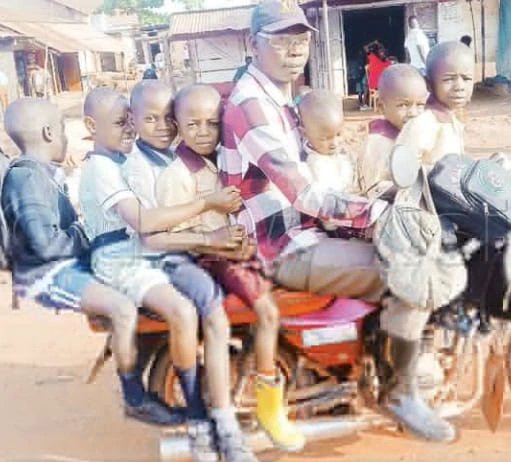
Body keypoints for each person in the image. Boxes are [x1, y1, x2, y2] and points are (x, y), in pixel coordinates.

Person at [219, 0, 456, 443]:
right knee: (415, 275)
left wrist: (375, 203)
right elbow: (304, 193)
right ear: (253, 44)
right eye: (280, 41)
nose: (293, 51)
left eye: (300, 40)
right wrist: (375, 212)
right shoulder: (251, 106)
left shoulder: (278, 96)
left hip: (302, 231)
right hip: (285, 247)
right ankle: (399, 393)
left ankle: (375, 360)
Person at [80, 86, 257, 462]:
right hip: (143, 258)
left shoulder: (174, 157)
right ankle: (203, 419)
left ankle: (220, 416)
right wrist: (210, 238)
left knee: (214, 308)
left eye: (167, 119)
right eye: (148, 119)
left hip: (171, 254)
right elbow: (151, 233)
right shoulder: (130, 167)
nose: (162, 127)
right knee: (194, 309)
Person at [0, 98, 181, 427]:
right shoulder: (25, 179)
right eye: (62, 132)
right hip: (47, 273)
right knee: (123, 306)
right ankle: (134, 399)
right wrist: (89, 233)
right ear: (48, 132)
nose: (67, 140)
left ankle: (143, 363)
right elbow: (45, 245)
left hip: (63, 262)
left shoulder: (42, 173)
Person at [154, 83, 305, 452]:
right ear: (176, 125)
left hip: (243, 248)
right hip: (214, 257)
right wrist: (215, 231)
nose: (204, 132)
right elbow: (171, 232)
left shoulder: (227, 157)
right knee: (267, 310)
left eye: (212, 123)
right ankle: (269, 402)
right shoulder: (176, 174)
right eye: (194, 125)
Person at [396, 41, 474, 167]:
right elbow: (401, 172)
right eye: (448, 80)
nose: (459, 87)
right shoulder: (423, 124)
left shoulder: (451, 118)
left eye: (466, 79)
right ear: (429, 84)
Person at [358, 64, 428, 198]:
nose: (413, 113)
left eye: (420, 105)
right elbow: (373, 189)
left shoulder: (417, 133)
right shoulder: (378, 143)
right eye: (403, 105)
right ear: (381, 106)